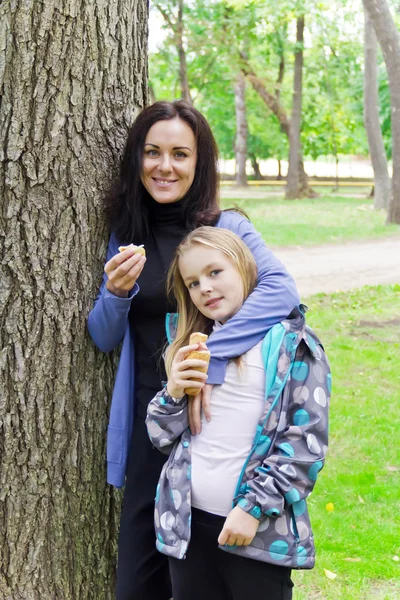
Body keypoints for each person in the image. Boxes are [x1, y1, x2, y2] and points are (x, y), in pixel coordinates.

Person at [87, 100, 300, 600]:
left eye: (180, 154)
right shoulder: (126, 235)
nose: (165, 166)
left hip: (212, 430)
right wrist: (116, 295)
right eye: (152, 152)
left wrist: (208, 359)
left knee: (206, 577)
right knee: (137, 583)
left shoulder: (228, 228)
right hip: (151, 425)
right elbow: (102, 337)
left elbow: (281, 290)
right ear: (135, 159)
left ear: (199, 162)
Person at [146, 226, 331, 600]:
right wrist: (175, 391)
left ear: (246, 268)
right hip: (188, 525)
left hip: (256, 530)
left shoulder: (291, 346)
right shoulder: (192, 346)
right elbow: (160, 434)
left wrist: (252, 508)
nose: (206, 288)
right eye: (193, 283)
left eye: (215, 272)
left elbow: (305, 444)